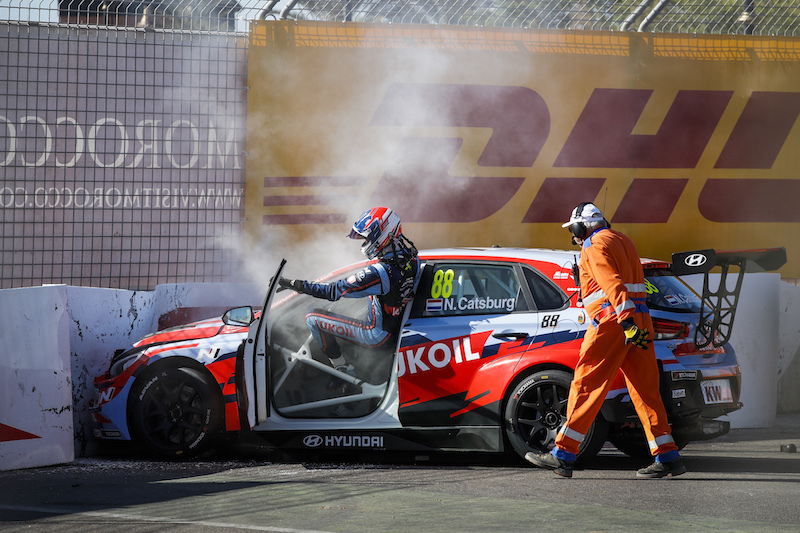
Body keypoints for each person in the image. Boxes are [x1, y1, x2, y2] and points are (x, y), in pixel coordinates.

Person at [525, 202, 686, 479]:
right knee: (645, 390)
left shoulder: (592, 245)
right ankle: (667, 455)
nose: (573, 236)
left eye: (573, 229)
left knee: (586, 383)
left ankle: (563, 453)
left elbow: (612, 284)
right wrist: (633, 323)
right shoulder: (623, 240)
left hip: (613, 322)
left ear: (581, 226)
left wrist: (624, 321)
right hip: (640, 320)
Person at [278, 207, 419, 384]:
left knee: (312, 317)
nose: (364, 242)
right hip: (396, 330)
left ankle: (342, 369)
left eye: (367, 237)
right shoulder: (413, 259)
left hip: (376, 335)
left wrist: (295, 284)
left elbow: (332, 291)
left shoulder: (380, 272)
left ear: (383, 235)